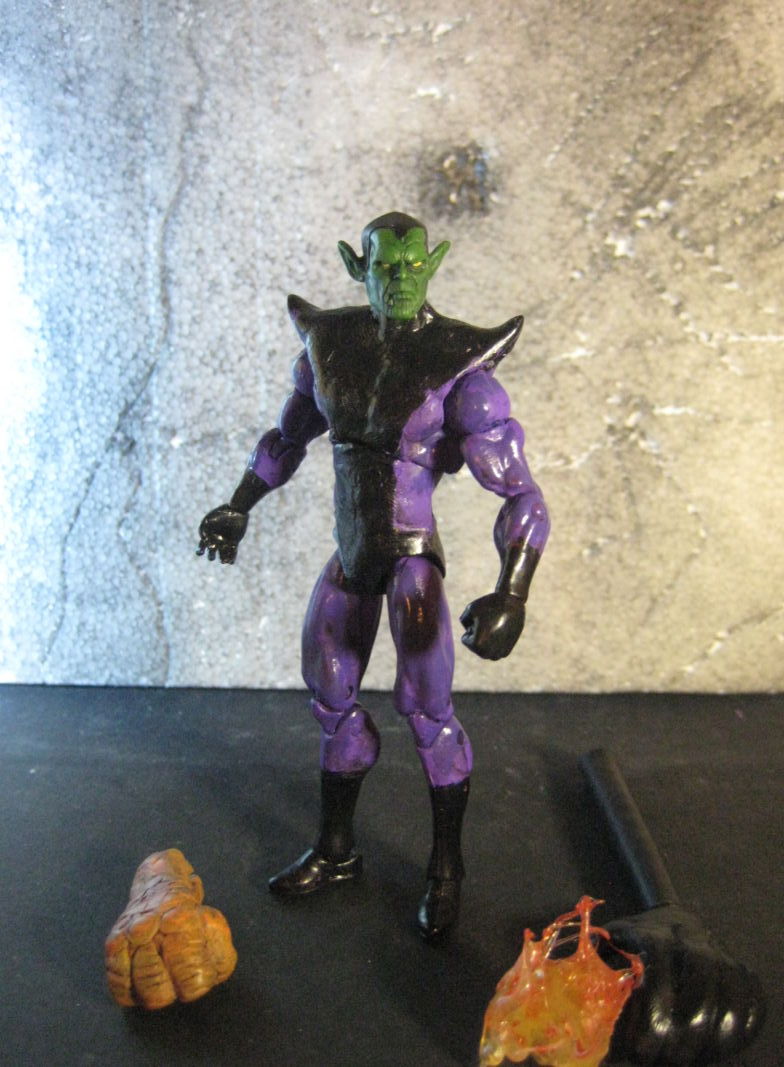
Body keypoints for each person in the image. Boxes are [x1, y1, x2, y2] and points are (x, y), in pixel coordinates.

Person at [197, 212, 549, 938]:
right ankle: (337, 850)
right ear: (357, 267)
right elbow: (288, 437)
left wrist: (512, 592)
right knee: (330, 693)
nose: (400, 280)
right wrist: (239, 504)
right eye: (385, 266)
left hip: (412, 559)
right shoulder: (330, 349)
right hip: (353, 554)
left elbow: (521, 493)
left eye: (413, 265)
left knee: (428, 710)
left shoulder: (461, 374)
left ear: (434, 263)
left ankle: (446, 869)